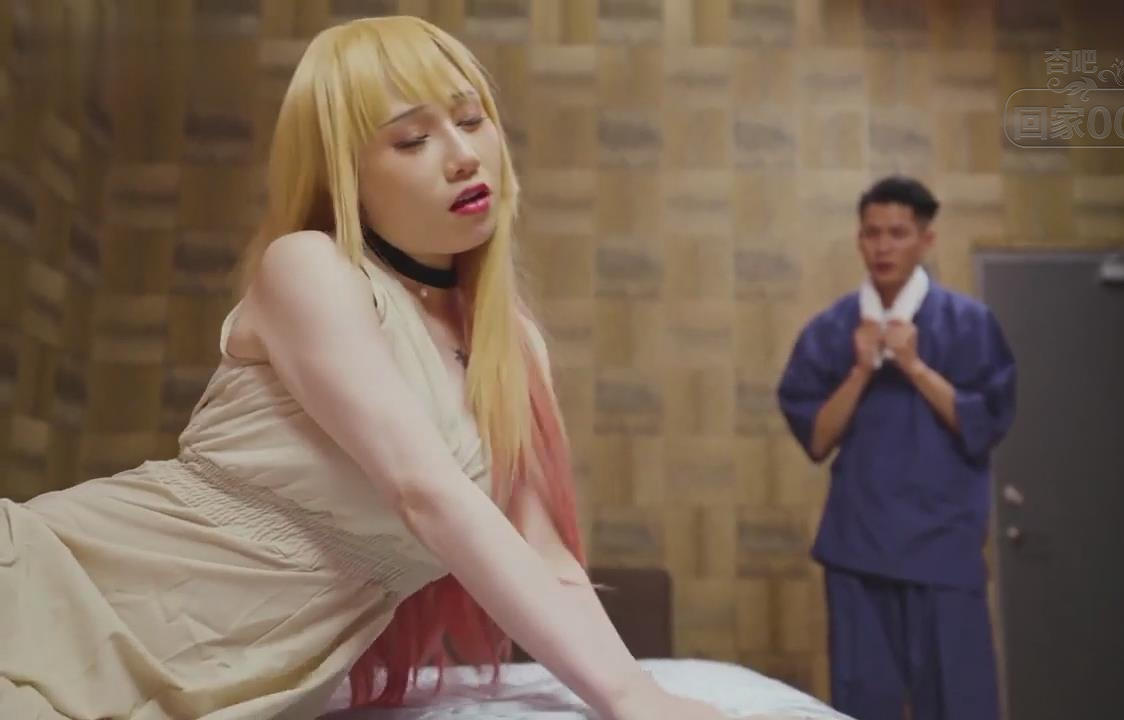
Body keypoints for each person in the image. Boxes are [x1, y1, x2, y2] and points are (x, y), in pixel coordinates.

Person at [0, 17, 810, 720]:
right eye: (413, 139)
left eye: (472, 119)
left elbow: (545, 557)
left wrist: (637, 694)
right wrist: (633, 700)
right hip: (74, 601)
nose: (462, 156)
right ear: (346, 173)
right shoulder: (311, 269)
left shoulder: (510, 345)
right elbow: (424, 492)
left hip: (234, 682)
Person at [776, 176, 1017, 720]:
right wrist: (861, 370)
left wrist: (914, 366)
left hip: (944, 548)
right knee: (863, 703)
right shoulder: (831, 330)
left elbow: (984, 426)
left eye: (898, 233)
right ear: (859, 240)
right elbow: (817, 439)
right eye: (872, 233)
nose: (883, 246)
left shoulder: (970, 325)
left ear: (926, 240)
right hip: (859, 548)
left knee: (960, 703)